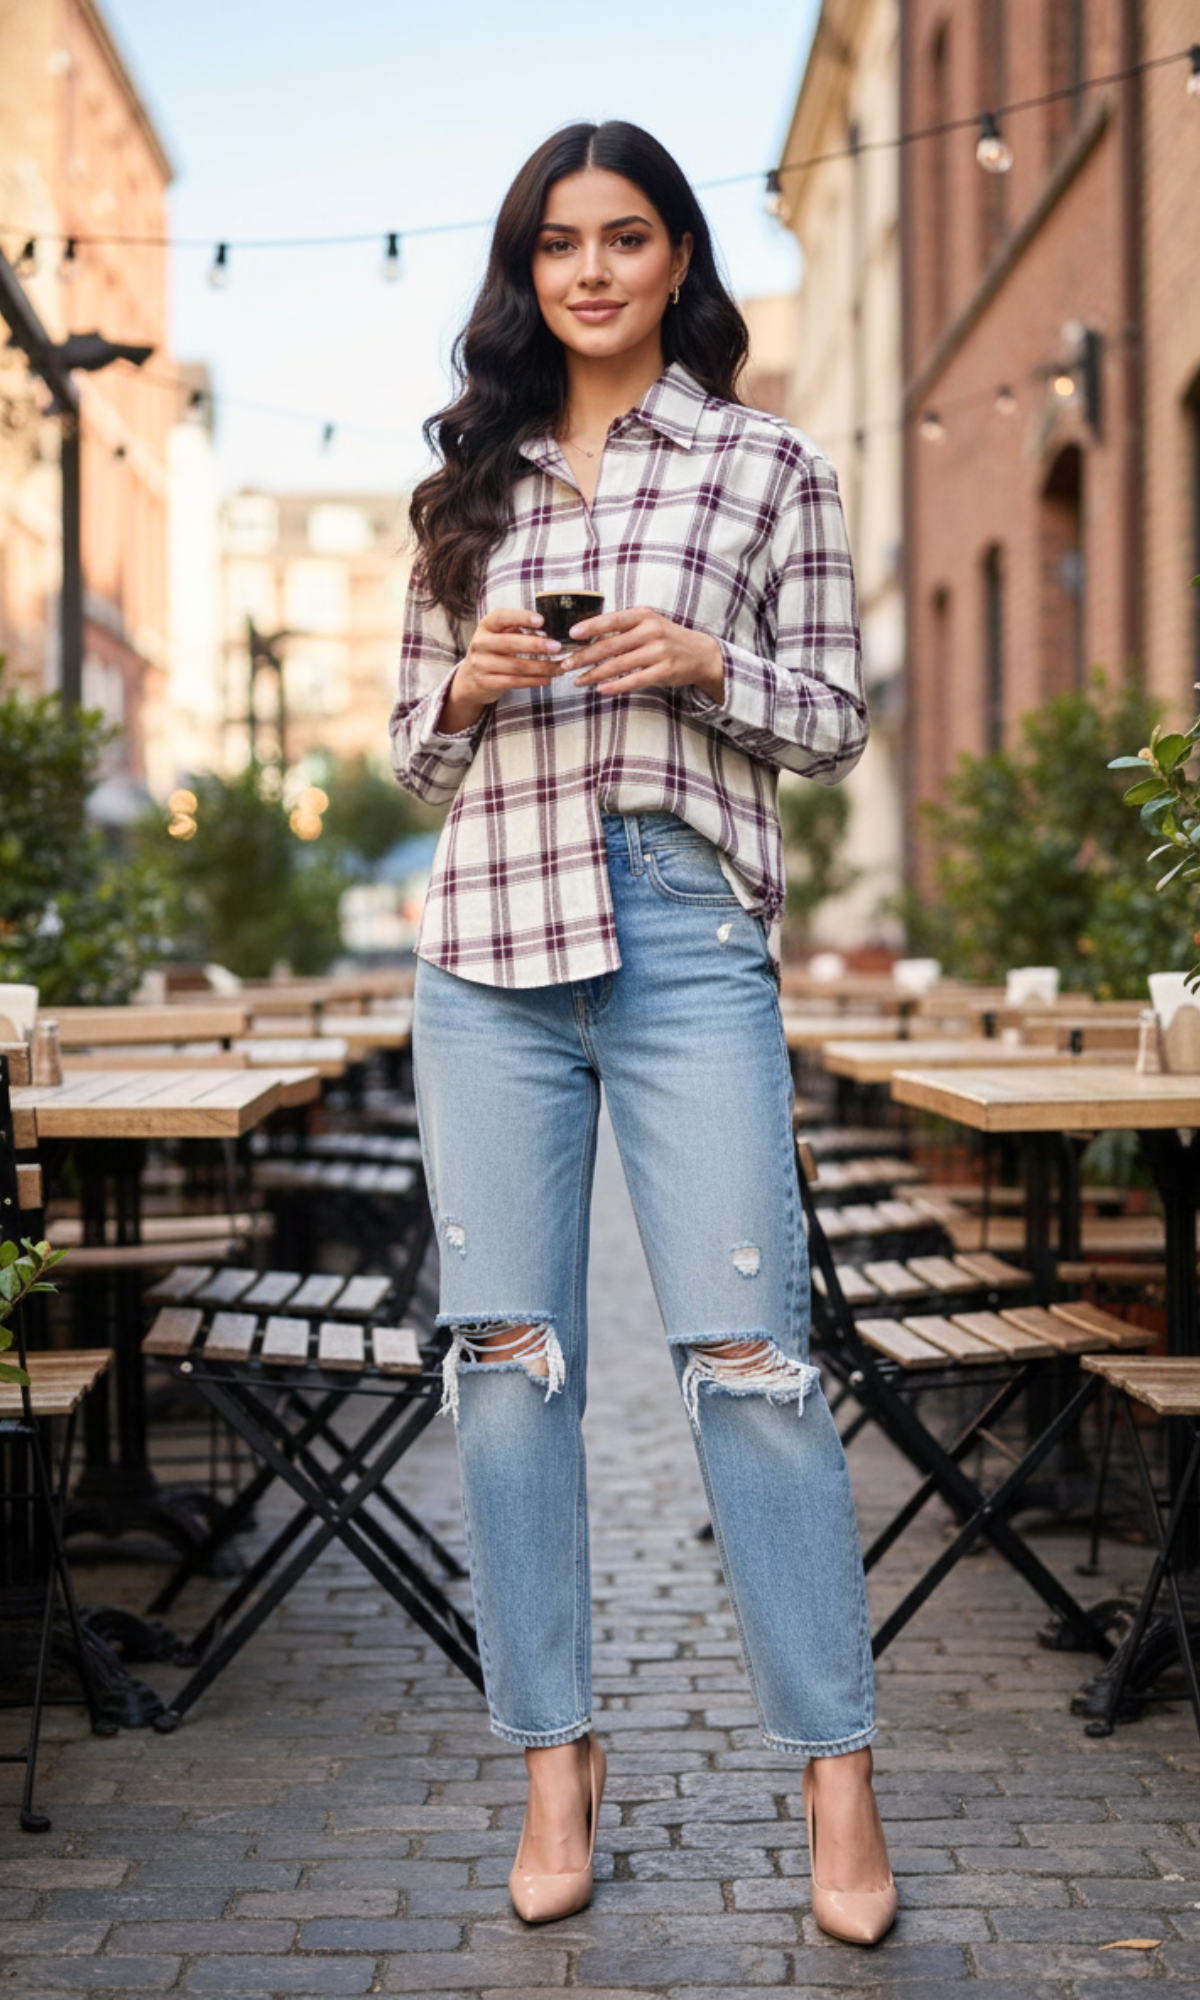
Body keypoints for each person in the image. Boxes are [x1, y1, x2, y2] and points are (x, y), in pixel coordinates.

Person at [391, 119, 895, 1943]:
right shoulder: (468, 487)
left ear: (679, 257)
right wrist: (465, 678)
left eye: (623, 237)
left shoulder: (774, 469)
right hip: (489, 945)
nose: (589, 271)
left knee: (750, 1361)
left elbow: (834, 719)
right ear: (526, 274)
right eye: (554, 244)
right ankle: (556, 1763)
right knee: (507, 1371)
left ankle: (837, 1785)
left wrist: (702, 664)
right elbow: (405, 753)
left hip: (683, 929)